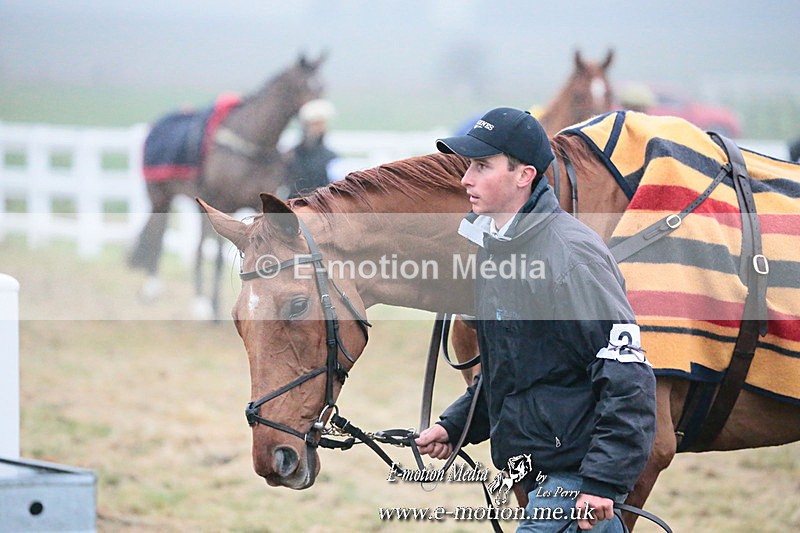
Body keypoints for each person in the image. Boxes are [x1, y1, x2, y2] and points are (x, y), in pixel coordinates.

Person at [415, 107, 657, 532]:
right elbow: (513, 371)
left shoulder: (571, 256)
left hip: (577, 477)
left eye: (481, 166)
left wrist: (601, 483)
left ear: (524, 175)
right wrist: (455, 426)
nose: (465, 179)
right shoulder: (497, 252)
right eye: (469, 165)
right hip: (541, 471)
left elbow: (628, 378)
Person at [285, 99, 340, 198]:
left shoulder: (331, 157)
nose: (320, 128)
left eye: (322, 124)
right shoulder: (292, 155)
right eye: (316, 124)